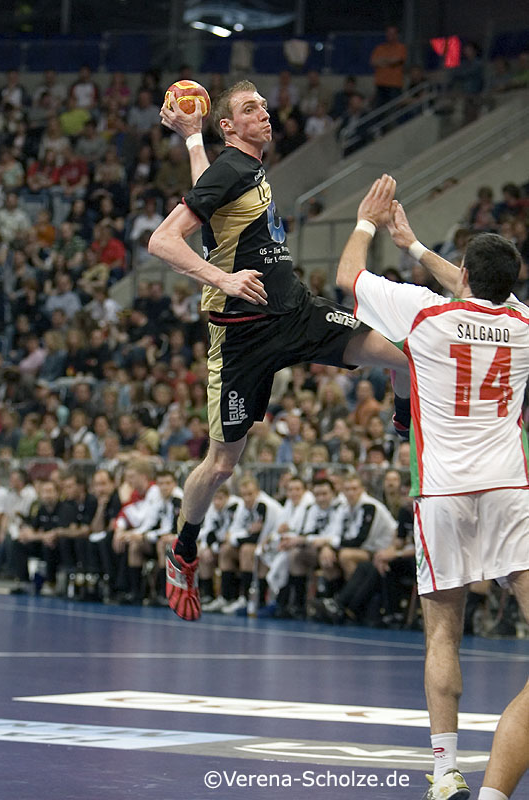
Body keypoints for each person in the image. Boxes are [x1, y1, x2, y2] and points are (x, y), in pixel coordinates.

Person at [148, 80, 410, 621]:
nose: (264, 113)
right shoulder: (233, 167)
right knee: (222, 463)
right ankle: (183, 550)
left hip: (295, 310)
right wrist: (222, 278)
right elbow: (162, 242)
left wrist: (193, 140)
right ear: (230, 127)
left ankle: (404, 417)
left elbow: (213, 205)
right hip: (241, 336)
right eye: (250, 109)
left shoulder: (240, 168)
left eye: (264, 106)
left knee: (403, 356)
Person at [335, 174, 529, 800]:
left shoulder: (425, 317)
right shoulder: (524, 322)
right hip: (508, 490)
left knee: (443, 633)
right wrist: (417, 246)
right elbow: (477, 289)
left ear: (465, 271)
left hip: (442, 495)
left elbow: (349, 279)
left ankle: (446, 772)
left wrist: (369, 223)